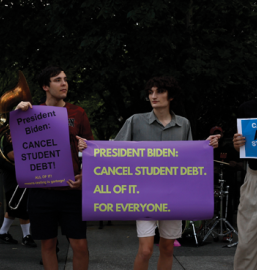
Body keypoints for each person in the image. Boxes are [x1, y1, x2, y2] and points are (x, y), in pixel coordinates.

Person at [79, 76, 219, 270]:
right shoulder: (135, 121)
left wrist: (208, 144)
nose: (154, 96)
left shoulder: (184, 124)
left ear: (171, 96)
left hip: (174, 195)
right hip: (143, 195)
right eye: (150, 92)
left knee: (168, 248)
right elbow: (113, 152)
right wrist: (89, 148)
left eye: (159, 91)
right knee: (145, 250)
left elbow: (191, 160)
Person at [15, 66, 94, 270]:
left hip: (72, 190)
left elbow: (92, 151)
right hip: (41, 191)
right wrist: (18, 113)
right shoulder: (30, 112)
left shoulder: (78, 112)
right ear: (45, 86)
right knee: (48, 244)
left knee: (80, 245)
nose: (64, 83)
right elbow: (21, 146)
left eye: (65, 79)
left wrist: (84, 176)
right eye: (57, 80)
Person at [0, 133, 36, 247]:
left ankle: (3, 232)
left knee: (15, 206)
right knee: (20, 205)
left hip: (19, 175)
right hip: (13, 177)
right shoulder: (10, 135)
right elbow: (11, 155)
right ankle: (26, 236)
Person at [232, 97, 257, 270]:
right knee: (247, 244)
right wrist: (237, 145)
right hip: (254, 176)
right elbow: (243, 145)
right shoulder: (248, 108)